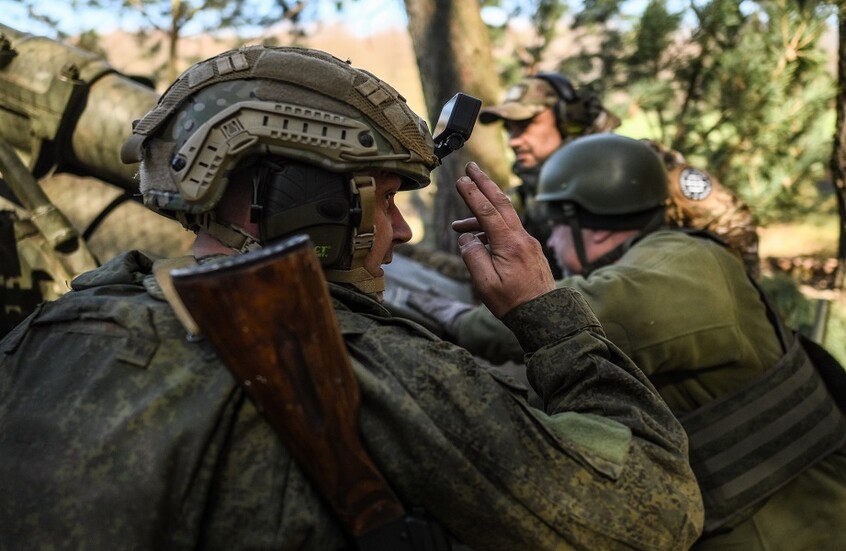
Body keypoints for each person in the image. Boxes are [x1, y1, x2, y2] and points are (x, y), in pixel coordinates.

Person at [0, 46, 703, 549]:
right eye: (384, 200)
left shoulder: (51, 329)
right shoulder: (364, 363)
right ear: (301, 200)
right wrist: (546, 314)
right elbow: (655, 511)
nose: (400, 230)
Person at [414, 134, 846, 550]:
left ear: (595, 229)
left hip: (792, 531)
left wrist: (460, 321)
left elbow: (568, 313)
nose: (551, 243)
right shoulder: (673, 255)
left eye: (556, 228)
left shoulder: (684, 267)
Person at [477, 73, 760, 278]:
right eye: (509, 129)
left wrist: (734, 297)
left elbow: (732, 222)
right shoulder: (526, 196)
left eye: (525, 124)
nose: (514, 140)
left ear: (568, 120)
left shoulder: (642, 165)